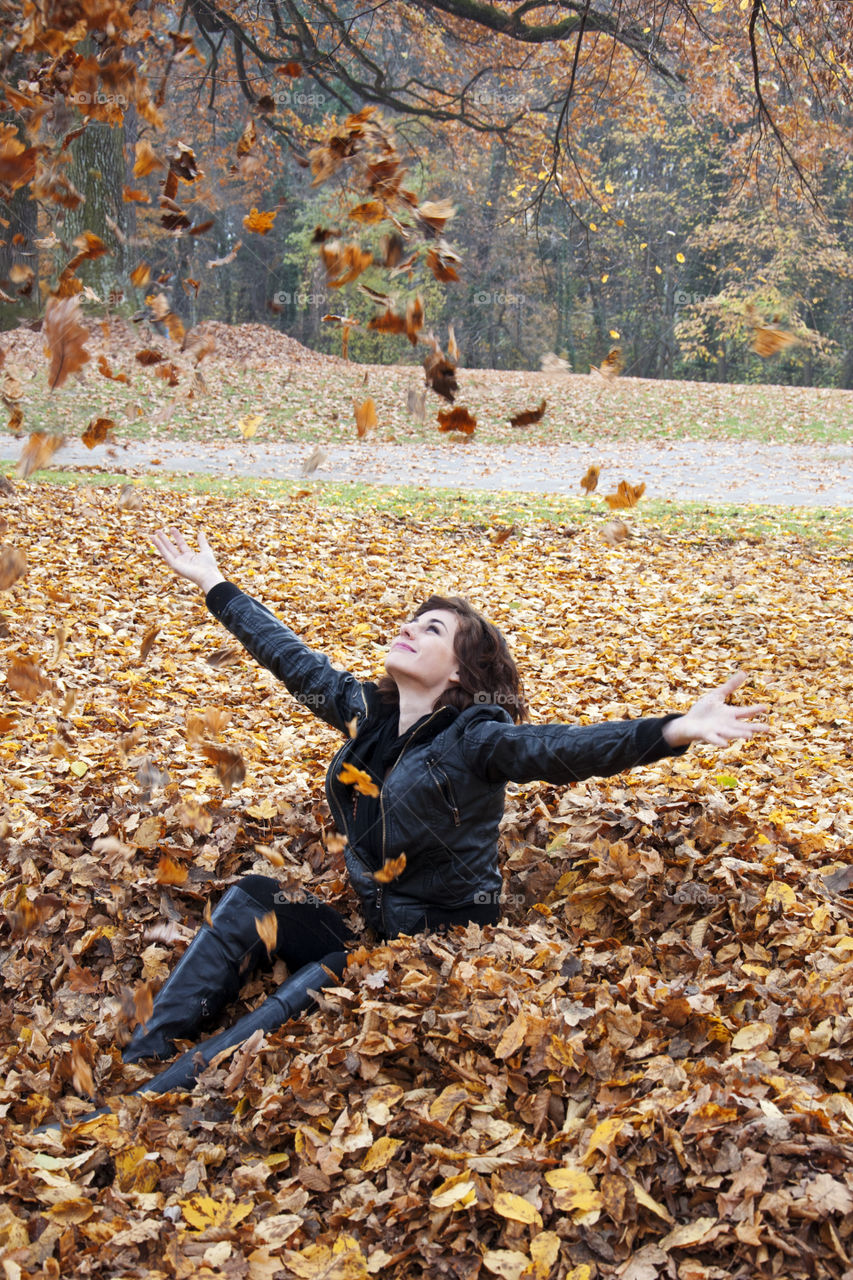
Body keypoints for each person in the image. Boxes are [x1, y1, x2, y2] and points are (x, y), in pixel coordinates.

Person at [123, 526, 771, 1092]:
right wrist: (215, 584)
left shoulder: (477, 739)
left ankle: (156, 1098)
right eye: (411, 620)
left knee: (323, 975)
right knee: (255, 901)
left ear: (459, 674)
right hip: (379, 929)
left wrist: (672, 731)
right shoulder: (366, 715)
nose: (408, 628)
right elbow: (294, 661)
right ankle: (144, 1055)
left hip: (439, 953)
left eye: (431, 628)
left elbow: (560, 748)